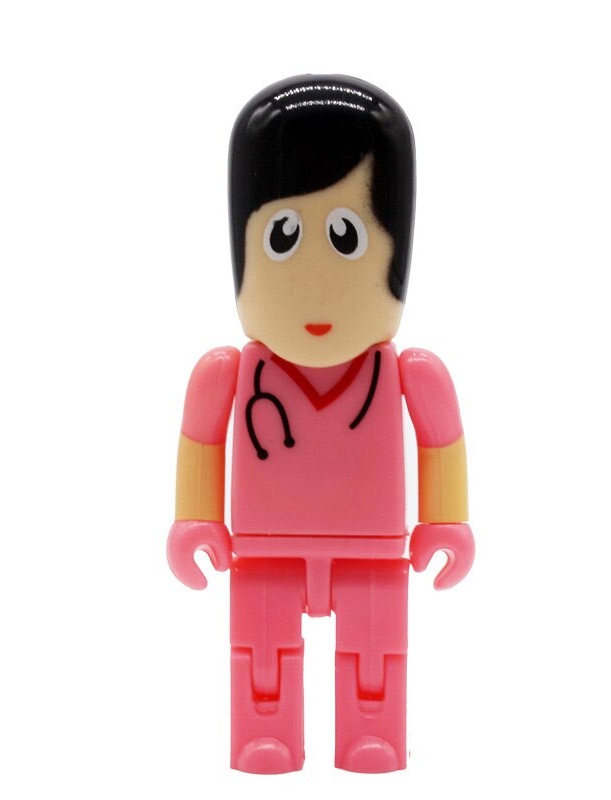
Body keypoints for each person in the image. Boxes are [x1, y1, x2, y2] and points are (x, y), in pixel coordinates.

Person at [167, 75, 475, 774]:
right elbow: (202, 440)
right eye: (282, 237)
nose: (317, 282)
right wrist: (195, 519)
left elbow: (441, 441)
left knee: (376, 654)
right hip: (264, 546)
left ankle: (371, 736)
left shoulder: (410, 372)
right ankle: (265, 736)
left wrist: (445, 521)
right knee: (261, 652)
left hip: (373, 549)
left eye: (346, 237)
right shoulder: (227, 373)